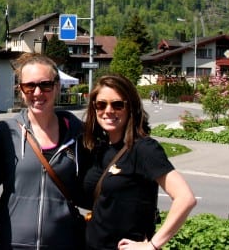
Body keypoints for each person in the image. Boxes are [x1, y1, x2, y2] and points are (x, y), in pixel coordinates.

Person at [82, 74, 196, 250]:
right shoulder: (99, 148)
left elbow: (185, 198)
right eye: (101, 104)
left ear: (131, 107)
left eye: (118, 104)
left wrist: (153, 245)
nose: (108, 110)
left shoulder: (143, 148)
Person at [0, 53, 86, 250]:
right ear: (21, 90)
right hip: (12, 244)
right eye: (29, 86)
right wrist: (8, 217)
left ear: (57, 86)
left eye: (45, 85)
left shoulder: (79, 133)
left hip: (65, 243)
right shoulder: (6, 131)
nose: (37, 92)